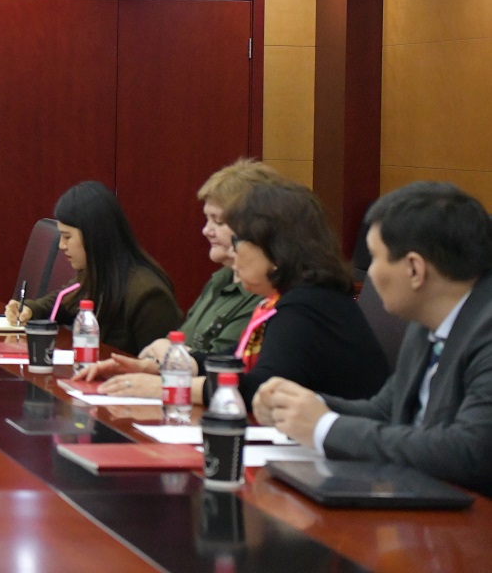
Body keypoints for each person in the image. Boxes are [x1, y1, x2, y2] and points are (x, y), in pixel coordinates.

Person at [256, 182, 492, 494]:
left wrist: (325, 428)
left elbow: (471, 452)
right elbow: (387, 412)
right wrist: (301, 406)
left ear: (414, 269)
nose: (368, 273)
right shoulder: (426, 323)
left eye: (375, 258)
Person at [102, 181, 389, 405]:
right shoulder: (292, 299)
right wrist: (164, 368)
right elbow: (235, 361)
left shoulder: (308, 307)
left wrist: (167, 386)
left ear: (275, 250)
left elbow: (261, 389)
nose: (232, 251)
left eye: (239, 241)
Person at [74, 159, 285, 389]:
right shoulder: (220, 280)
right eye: (207, 219)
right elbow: (179, 346)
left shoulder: (261, 295)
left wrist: (167, 359)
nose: (206, 230)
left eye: (218, 221)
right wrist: (148, 365)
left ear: (254, 228)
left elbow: (225, 368)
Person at [5, 181, 184, 356]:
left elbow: (161, 366)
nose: (61, 245)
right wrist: (31, 309)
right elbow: (64, 301)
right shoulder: (96, 273)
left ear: (94, 236)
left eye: (67, 237)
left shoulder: (148, 295)